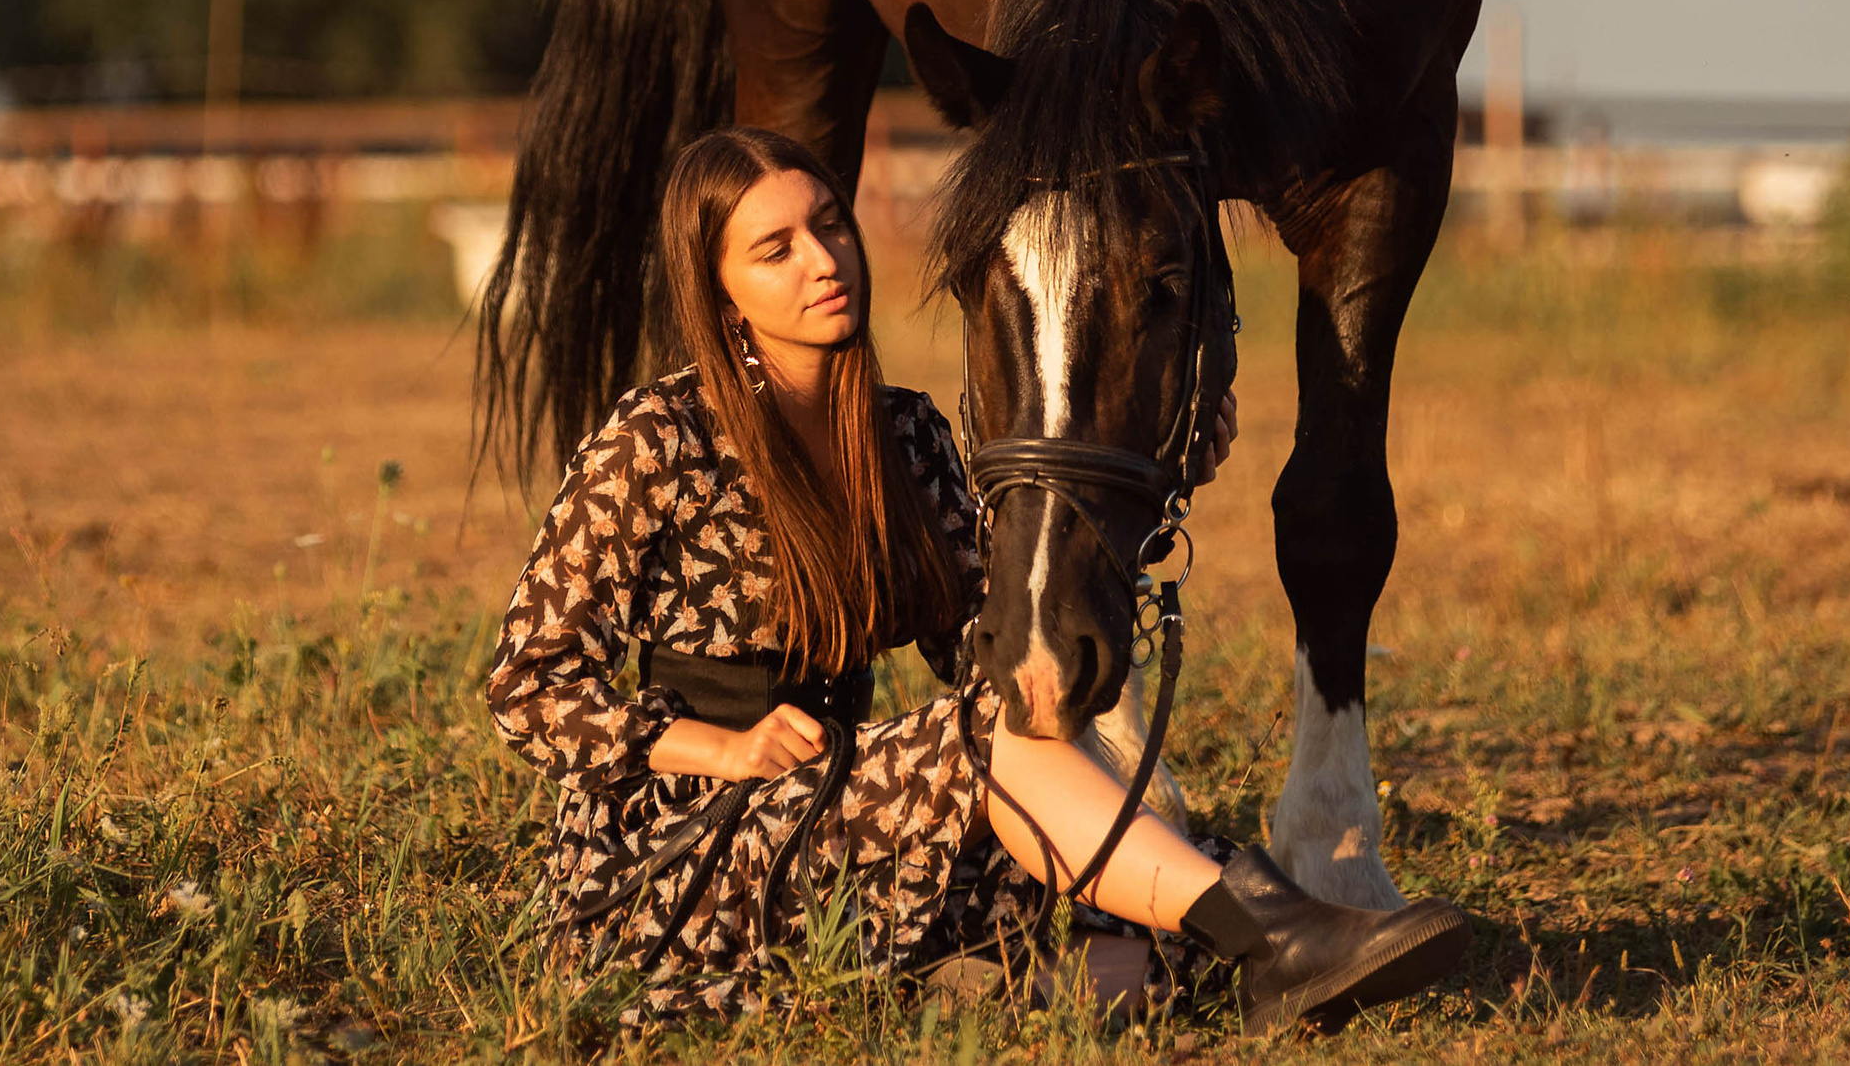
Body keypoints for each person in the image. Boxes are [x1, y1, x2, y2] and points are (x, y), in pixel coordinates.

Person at [483, 126, 1468, 1032]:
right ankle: (1277, 931)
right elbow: (524, 686)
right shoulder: (658, 437)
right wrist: (728, 749)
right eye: (775, 249)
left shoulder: (904, 433)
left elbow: (995, 651)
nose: (823, 260)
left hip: (839, 812)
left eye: (830, 224)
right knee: (1003, 746)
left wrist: (1161, 485)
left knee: (1146, 928)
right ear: (720, 290)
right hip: (679, 851)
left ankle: (972, 982)